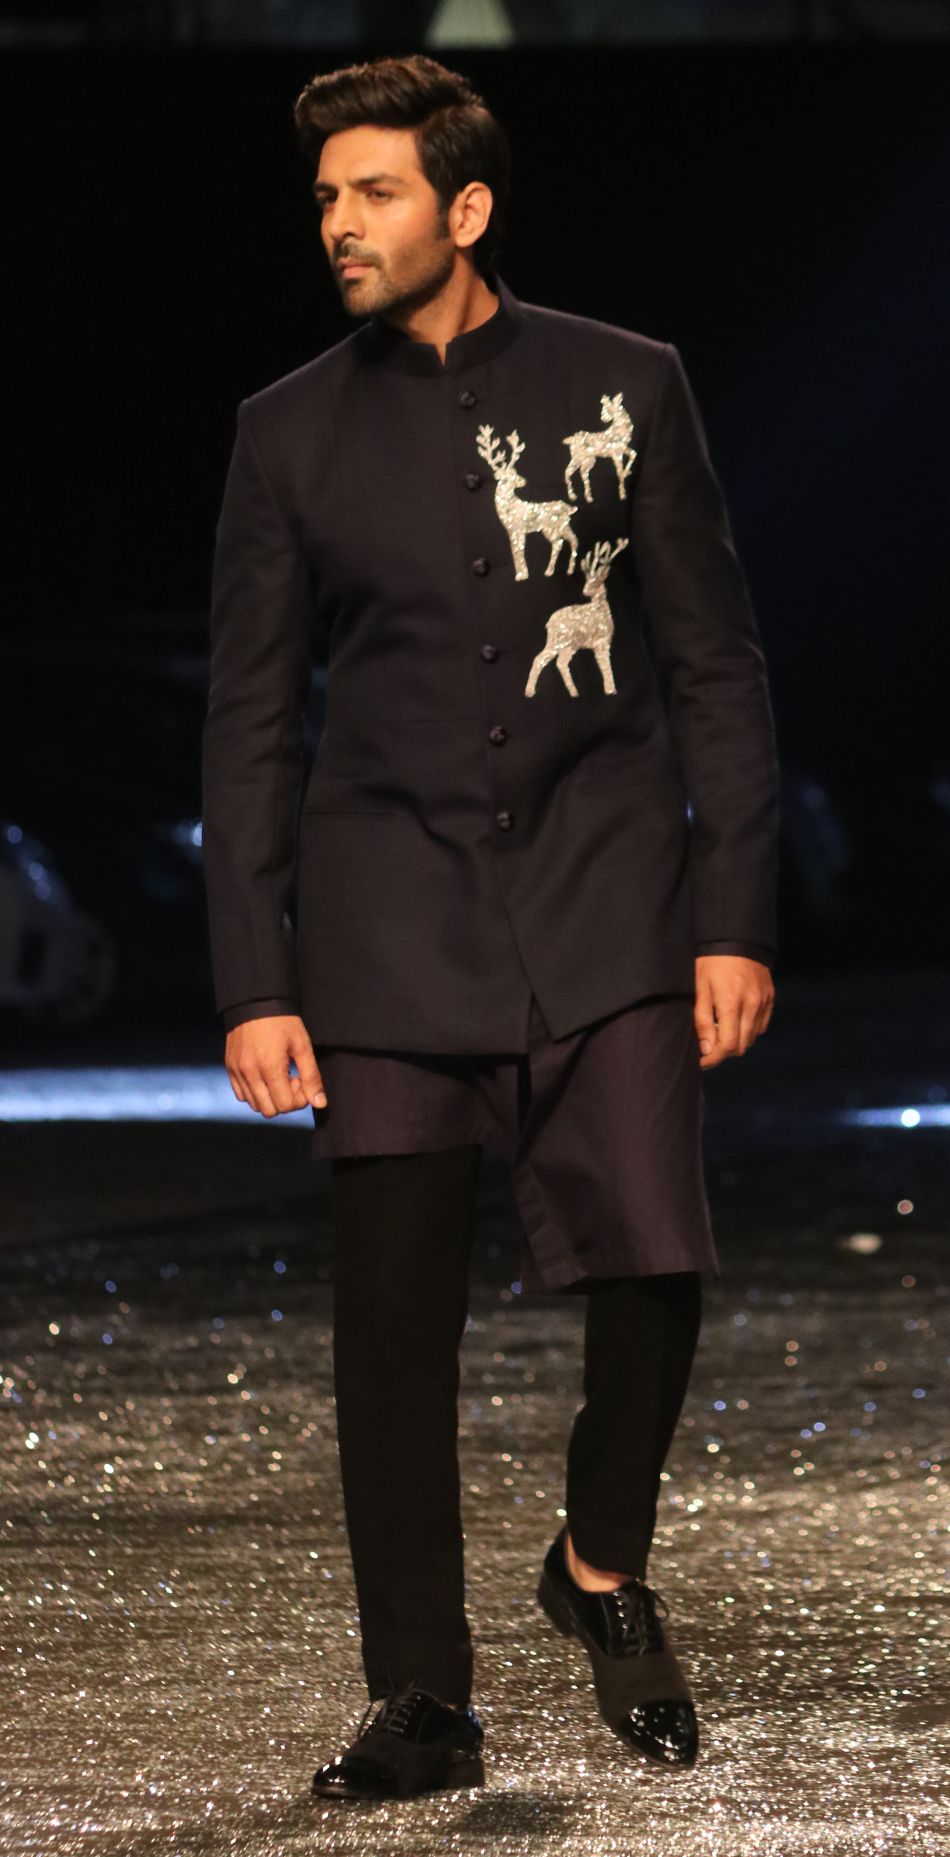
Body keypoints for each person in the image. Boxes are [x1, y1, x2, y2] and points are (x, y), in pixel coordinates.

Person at [201, 51, 779, 1802]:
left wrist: (734, 913)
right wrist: (255, 975)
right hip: (386, 923)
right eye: (325, 198)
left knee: (655, 1259)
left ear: (464, 208)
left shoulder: (625, 383)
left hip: (607, 896)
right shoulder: (286, 431)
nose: (338, 224)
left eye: (371, 193)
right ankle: (421, 1696)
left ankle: (597, 1561)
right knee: (391, 1327)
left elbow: (713, 663)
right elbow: (248, 721)